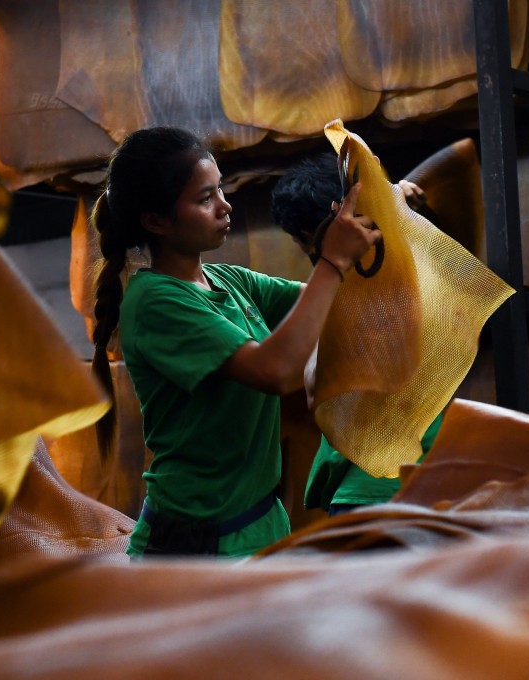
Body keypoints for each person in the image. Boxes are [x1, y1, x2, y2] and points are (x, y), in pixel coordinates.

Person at [89, 127, 380, 557]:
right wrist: (334, 259)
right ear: (155, 221)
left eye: (220, 189)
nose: (225, 206)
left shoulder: (227, 281)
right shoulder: (154, 302)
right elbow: (275, 371)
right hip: (197, 544)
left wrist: (381, 213)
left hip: (261, 520)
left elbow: (332, 304)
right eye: (205, 199)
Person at [270, 151, 444, 516]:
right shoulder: (426, 262)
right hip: (439, 476)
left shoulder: (345, 294)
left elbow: (318, 389)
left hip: (369, 490)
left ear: (307, 236)